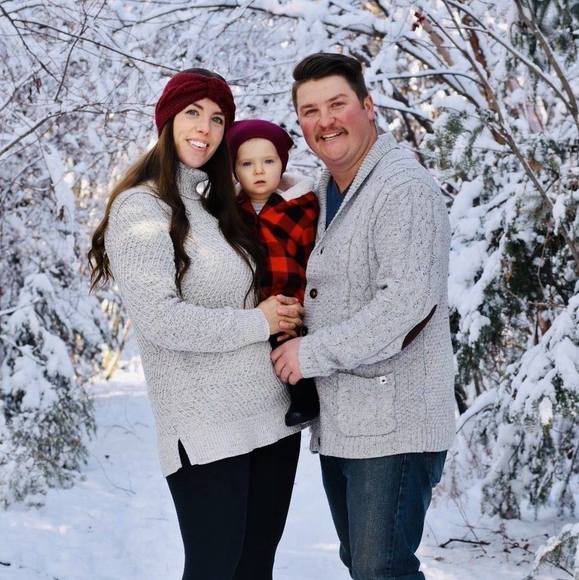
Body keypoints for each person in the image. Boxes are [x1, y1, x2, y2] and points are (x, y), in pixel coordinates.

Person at [89, 69, 307, 580]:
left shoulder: (217, 206)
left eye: (217, 118)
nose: (204, 128)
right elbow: (161, 319)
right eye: (193, 113)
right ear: (167, 121)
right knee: (214, 568)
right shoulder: (141, 207)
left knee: (255, 569)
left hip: (271, 418)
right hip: (206, 428)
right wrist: (258, 322)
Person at [271, 53, 456, 580]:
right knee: (365, 565)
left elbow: (406, 305)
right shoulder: (325, 189)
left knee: (382, 570)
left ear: (369, 107)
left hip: (395, 422)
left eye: (337, 104)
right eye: (310, 111)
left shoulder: (402, 188)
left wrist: (310, 353)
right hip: (348, 420)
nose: (325, 121)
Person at [226, 119, 320, 426]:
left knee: (285, 344)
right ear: (234, 170)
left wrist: (305, 300)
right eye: (247, 164)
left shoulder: (301, 206)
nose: (259, 171)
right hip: (250, 299)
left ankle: (305, 399)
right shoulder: (229, 211)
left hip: (290, 294)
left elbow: (313, 253)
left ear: (282, 164)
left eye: (268, 161)